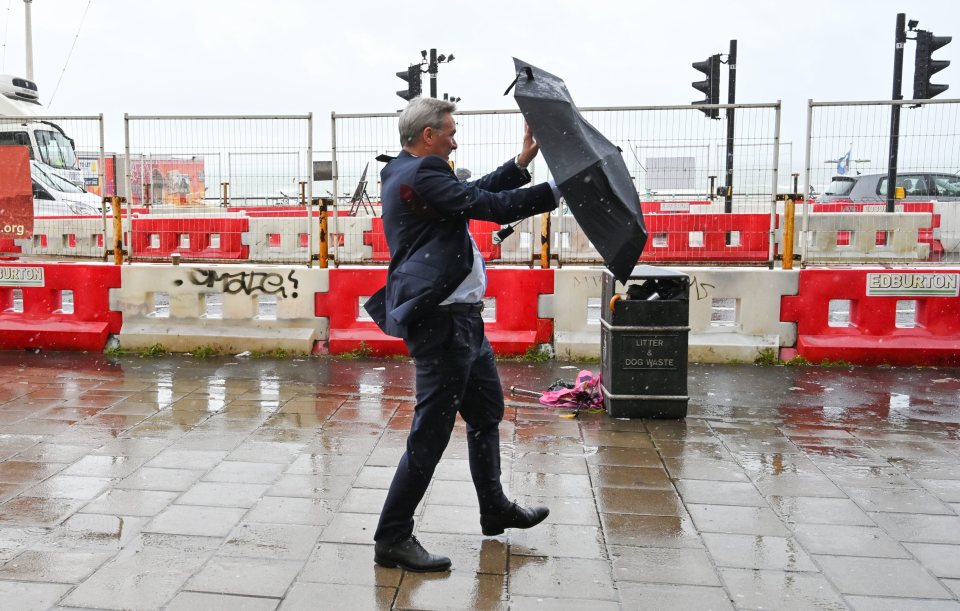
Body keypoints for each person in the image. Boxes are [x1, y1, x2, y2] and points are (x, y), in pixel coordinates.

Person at [365, 96, 557, 572]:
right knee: (429, 436)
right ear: (428, 135)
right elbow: (486, 205)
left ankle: (494, 507)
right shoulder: (419, 174)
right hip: (442, 325)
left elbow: (474, 192)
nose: (456, 137)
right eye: (450, 131)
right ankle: (392, 537)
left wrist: (521, 162)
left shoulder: (420, 173)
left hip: (464, 320)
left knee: (486, 413)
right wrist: (557, 190)